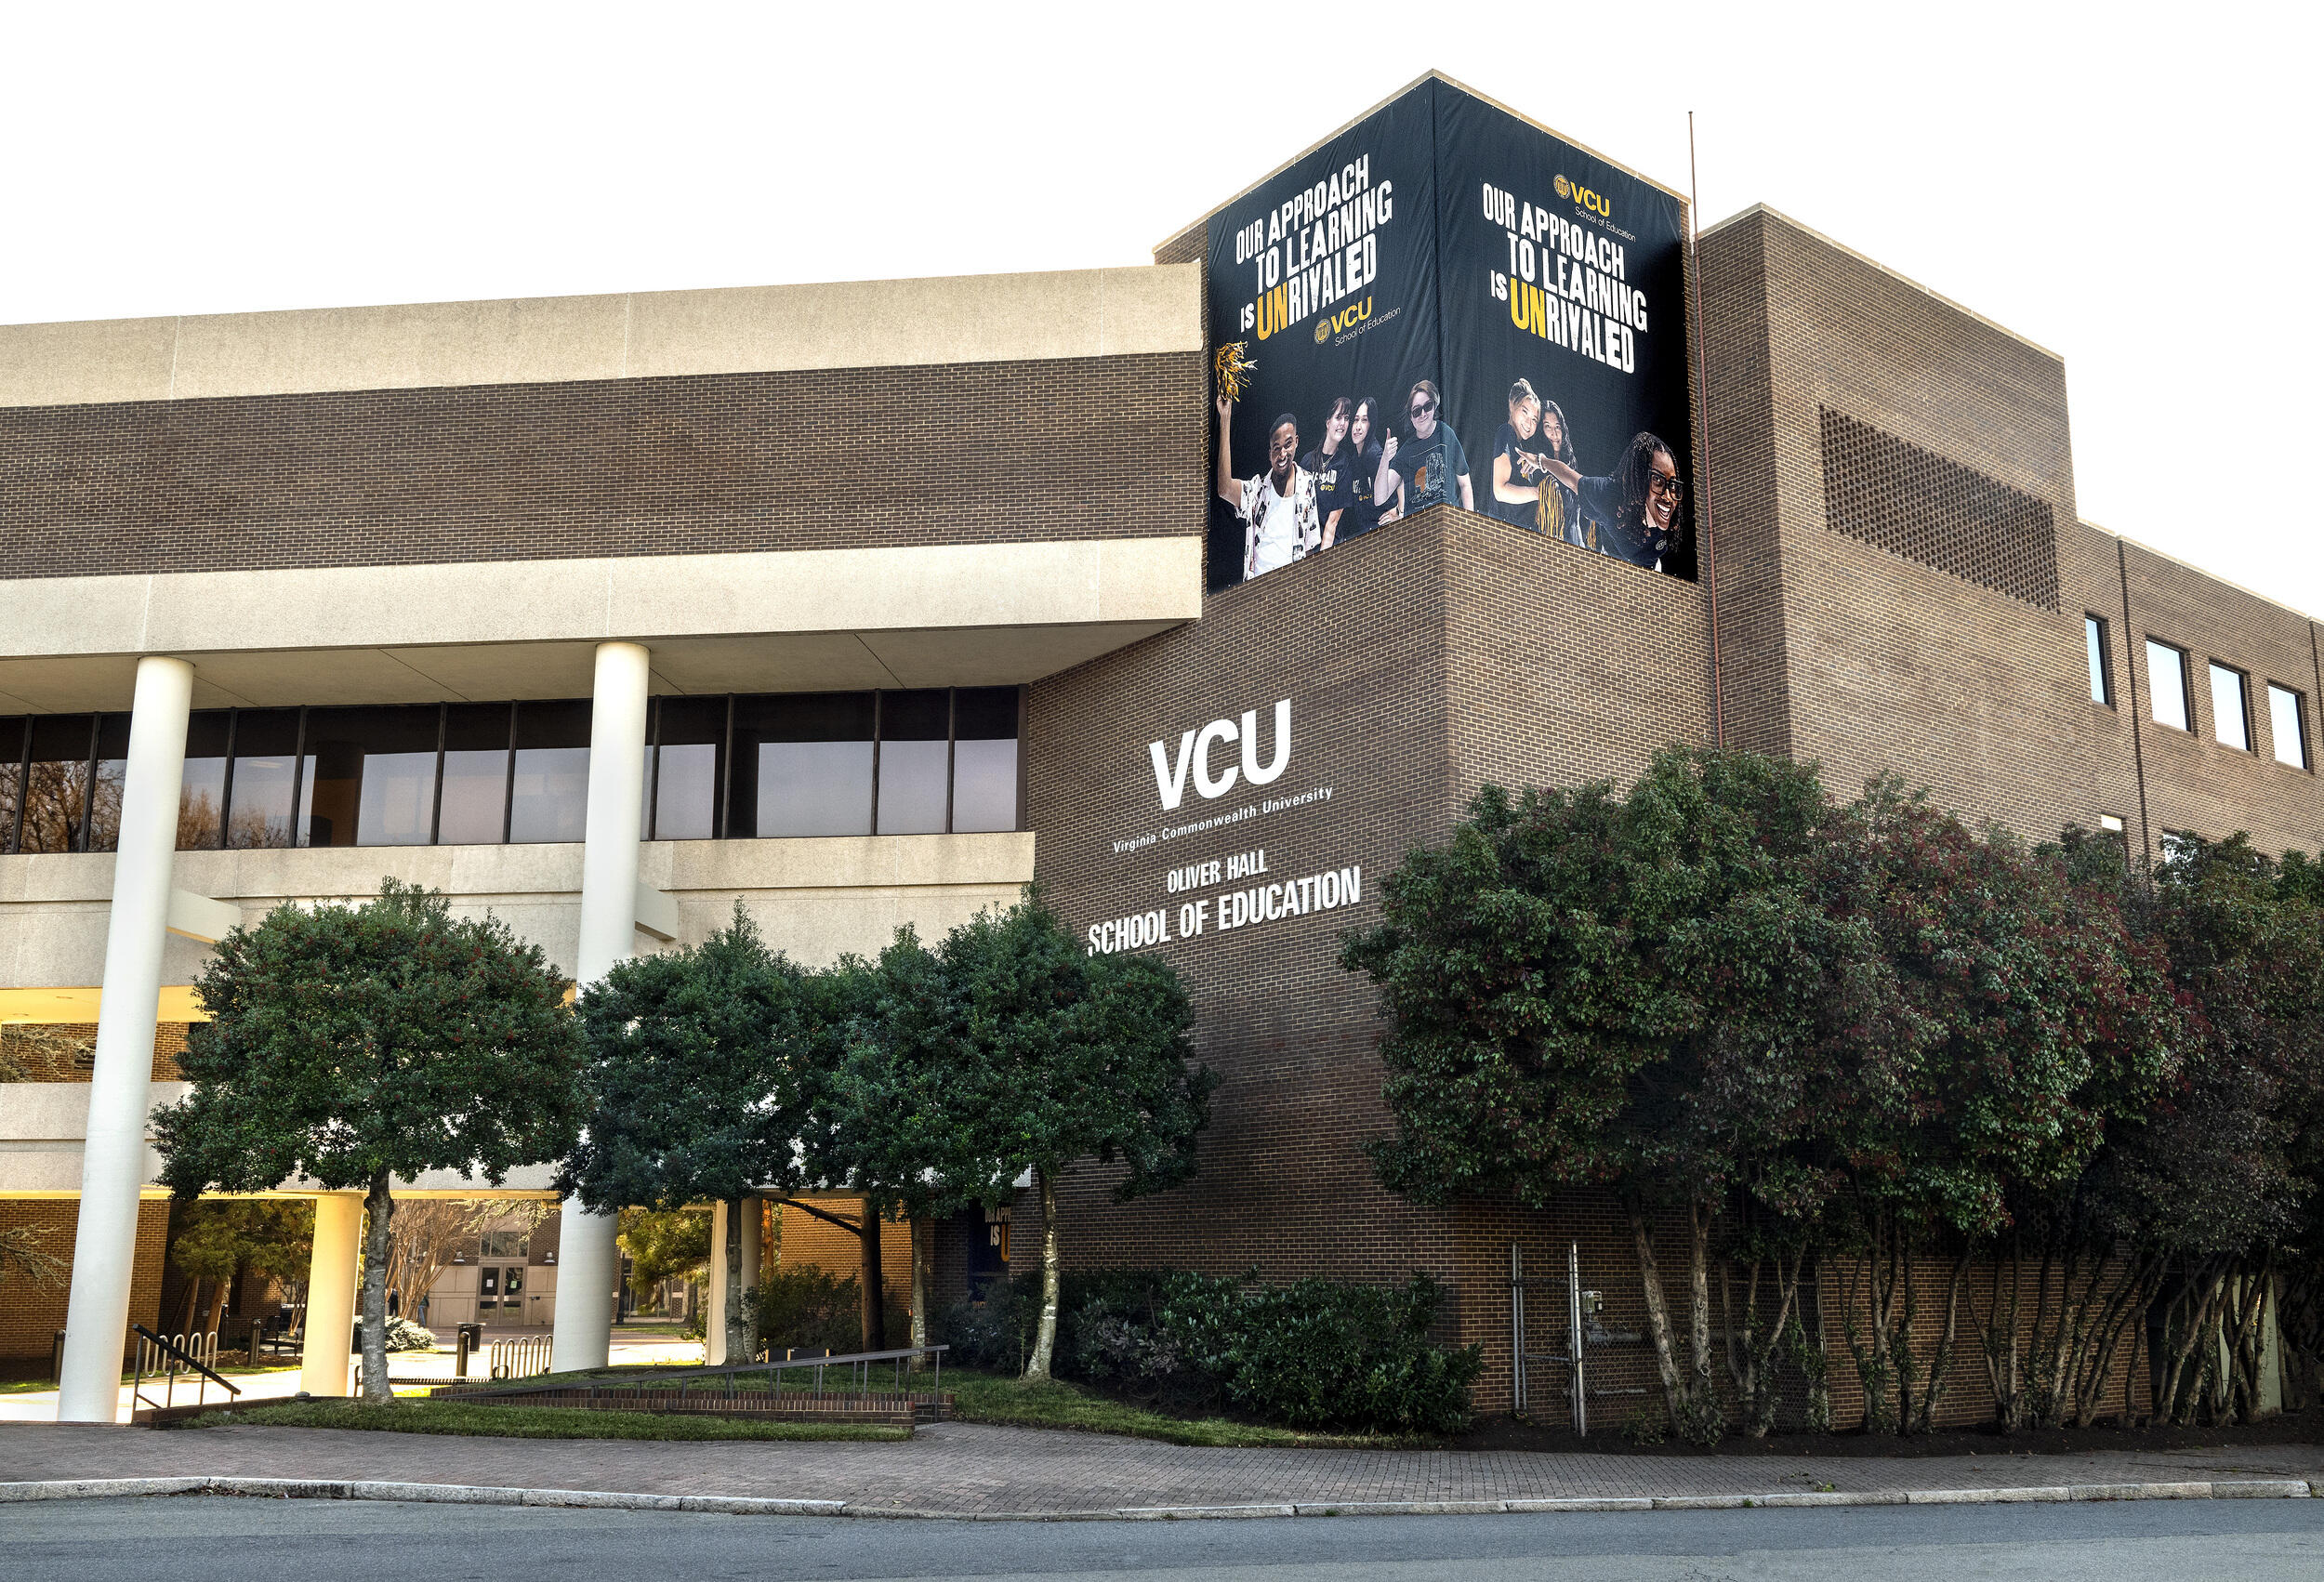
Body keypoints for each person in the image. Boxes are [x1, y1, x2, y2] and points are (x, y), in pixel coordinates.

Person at [1530, 430, 1685, 571]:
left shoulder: (1674, 514)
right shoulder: (1609, 496)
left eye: (1672, 485)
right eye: (1657, 480)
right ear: (1639, 478)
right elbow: (1572, 479)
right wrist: (1541, 461)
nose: (1668, 496)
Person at [1215, 390, 1321, 579]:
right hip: (1259, 590)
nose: (1282, 454)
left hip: (1292, 589)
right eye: (1276, 448)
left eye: (1287, 445)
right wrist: (1225, 418)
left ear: (1296, 442)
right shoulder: (1257, 490)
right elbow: (1224, 489)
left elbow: (1311, 546)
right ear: (1269, 453)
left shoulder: (1307, 483)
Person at [1374, 379, 1473, 523]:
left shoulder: (1446, 433)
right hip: (1419, 534)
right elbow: (1379, 498)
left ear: (1434, 406)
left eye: (1427, 406)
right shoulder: (1406, 451)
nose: (1423, 414)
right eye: (1416, 411)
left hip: (1449, 527)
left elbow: (1465, 484)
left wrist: (1469, 526)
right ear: (1411, 416)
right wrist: (1385, 459)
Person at [1488, 380, 1554, 531]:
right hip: (1505, 536)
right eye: (1524, 411)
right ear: (1512, 405)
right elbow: (1500, 491)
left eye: (1534, 420)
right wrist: (1540, 493)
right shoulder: (1506, 432)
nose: (1528, 423)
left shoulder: (1520, 448)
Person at [1301, 397, 1356, 547]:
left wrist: (1323, 560)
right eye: (1338, 417)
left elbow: (1333, 520)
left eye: (1346, 418)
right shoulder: (1307, 461)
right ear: (1328, 422)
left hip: (1330, 546)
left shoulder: (1344, 463)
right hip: (1306, 546)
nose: (1343, 423)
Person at [1333, 395, 1389, 542]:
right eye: (1356, 419)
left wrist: (1398, 511)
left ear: (1372, 424)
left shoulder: (1375, 456)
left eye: (1364, 420)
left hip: (1382, 537)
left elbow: (1400, 480)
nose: (1358, 426)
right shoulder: (1353, 460)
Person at [1532, 396, 1582, 547]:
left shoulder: (1571, 462)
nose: (1554, 433)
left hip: (1576, 543)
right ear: (1541, 430)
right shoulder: (1536, 468)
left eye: (1557, 426)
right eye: (1547, 426)